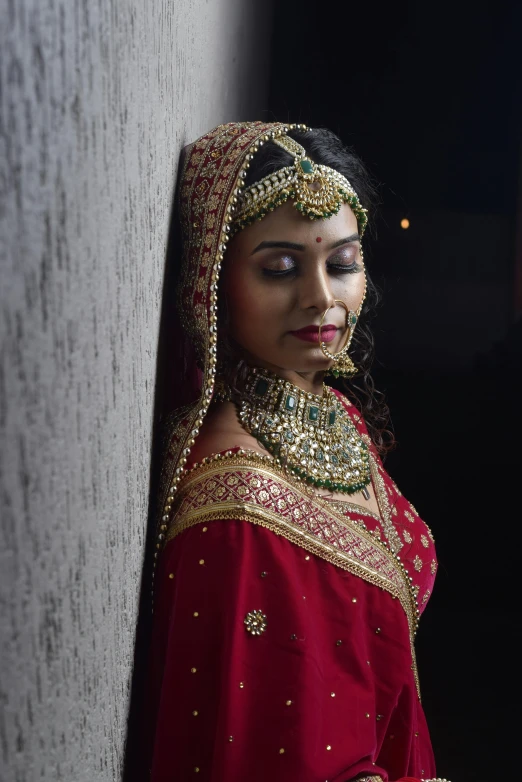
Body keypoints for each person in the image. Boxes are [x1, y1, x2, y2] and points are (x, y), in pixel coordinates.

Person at [142, 122, 449, 782]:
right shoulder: (236, 515)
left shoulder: (331, 412)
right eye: (279, 269)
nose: (321, 299)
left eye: (342, 264)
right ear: (211, 281)